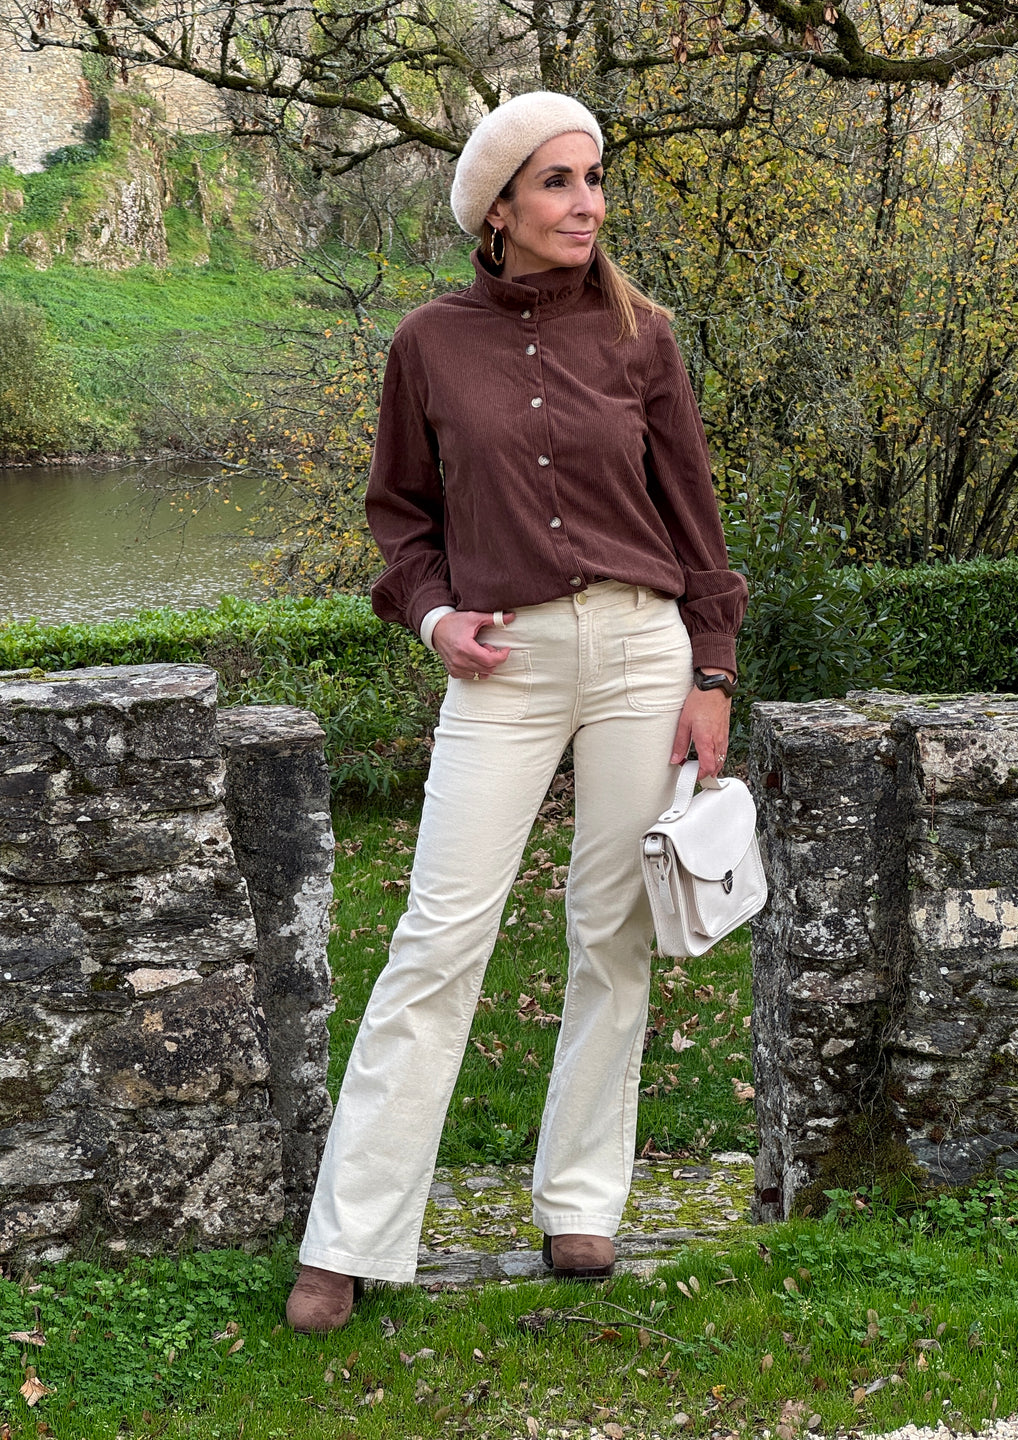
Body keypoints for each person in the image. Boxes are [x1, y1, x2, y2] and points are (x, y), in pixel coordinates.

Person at [286, 90, 748, 1333]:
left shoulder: (644, 336)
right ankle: (350, 1235)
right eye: (556, 181)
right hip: (505, 665)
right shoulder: (428, 344)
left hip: (642, 652)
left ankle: (582, 1200)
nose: (586, 202)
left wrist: (711, 672)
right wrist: (434, 616)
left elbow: (695, 518)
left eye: (593, 178)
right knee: (437, 940)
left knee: (614, 931)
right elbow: (400, 516)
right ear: (497, 209)